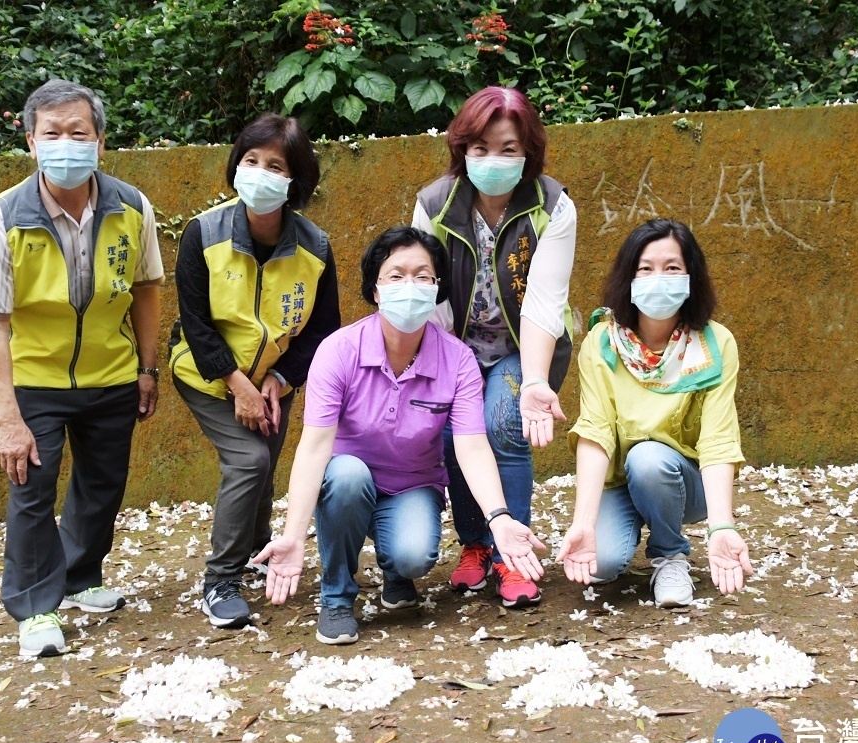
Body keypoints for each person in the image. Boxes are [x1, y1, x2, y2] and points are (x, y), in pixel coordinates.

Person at [253, 227, 546, 644]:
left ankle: (396, 574)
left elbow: (471, 445)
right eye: (396, 275)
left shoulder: (458, 359)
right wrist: (293, 536)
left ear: (437, 288)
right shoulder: (338, 351)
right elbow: (314, 447)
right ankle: (337, 597)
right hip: (348, 482)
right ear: (375, 289)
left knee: (413, 556)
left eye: (423, 276)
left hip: (413, 485)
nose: (410, 285)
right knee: (347, 477)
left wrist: (498, 519)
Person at [0, 79, 163, 657]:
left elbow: (147, 288)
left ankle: (77, 579)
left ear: (100, 139)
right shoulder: (3, 219)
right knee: (32, 489)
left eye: (79, 132)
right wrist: (7, 418)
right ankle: (34, 608)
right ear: (30, 141)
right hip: (37, 380)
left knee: (102, 485)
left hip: (112, 373)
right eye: (52, 134)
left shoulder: (132, 206)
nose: (66, 144)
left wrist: (147, 368)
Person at [168, 113, 340, 630]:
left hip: (273, 380)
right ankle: (220, 580)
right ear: (235, 166)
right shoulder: (204, 232)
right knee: (248, 461)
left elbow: (322, 331)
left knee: (264, 463)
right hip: (206, 374)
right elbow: (195, 322)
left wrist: (281, 378)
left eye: (275, 165)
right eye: (250, 160)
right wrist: (237, 383)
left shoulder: (316, 248)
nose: (260, 172)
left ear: (296, 181)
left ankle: (258, 554)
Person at [412, 86, 576, 608]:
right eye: (480, 148)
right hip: (453, 346)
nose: (493, 160)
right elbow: (426, 294)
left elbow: (544, 304)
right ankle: (476, 544)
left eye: (508, 148)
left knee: (503, 417)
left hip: (524, 349)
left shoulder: (552, 205)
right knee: (455, 433)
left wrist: (532, 380)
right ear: (462, 150)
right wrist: (440, 373)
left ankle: (515, 550)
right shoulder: (435, 204)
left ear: (528, 151)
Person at [556, 219, 753, 605]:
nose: (658, 279)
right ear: (628, 277)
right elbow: (595, 432)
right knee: (601, 566)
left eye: (672, 268)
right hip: (622, 483)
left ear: (691, 276)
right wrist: (584, 523)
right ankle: (633, 522)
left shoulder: (716, 344)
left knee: (648, 459)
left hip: (681, 482)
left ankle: (669, 554)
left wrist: (722, 526)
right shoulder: (602, 342)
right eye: (645, 268)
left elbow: (718, 440)